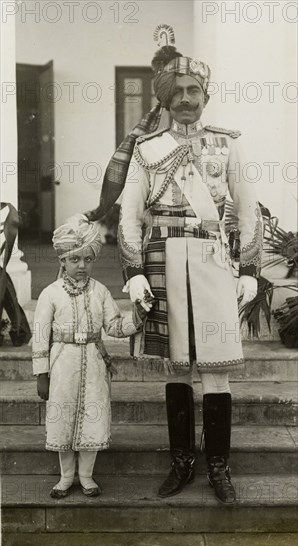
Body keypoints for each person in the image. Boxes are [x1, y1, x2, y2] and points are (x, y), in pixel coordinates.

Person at [117, 28, 263, 504]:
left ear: (205, 96)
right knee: (177, 371)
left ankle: (218, 466)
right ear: (164, 97)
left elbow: (248, 210)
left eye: (193, 91)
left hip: (215, 264)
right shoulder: (147, 149)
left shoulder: (227, 145)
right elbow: (129, 214)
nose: (185, 100)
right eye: (176, 92)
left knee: (216, 373)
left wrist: (248, 270)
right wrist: (133, 271)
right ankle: (181, 463)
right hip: (162, 263)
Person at [32, 213, 148, 498]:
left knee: (92, 418)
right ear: (62, 261)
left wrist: (138, 318)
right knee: (63, 418)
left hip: (95, 365)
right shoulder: (50, 294)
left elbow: (114, 326)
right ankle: (65, 477)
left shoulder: (101, 292)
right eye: (74, 260)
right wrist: (41, 374)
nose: (81, 265)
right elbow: (40, 335)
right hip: (61, 365)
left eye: (87, 259)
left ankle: (86, 476)